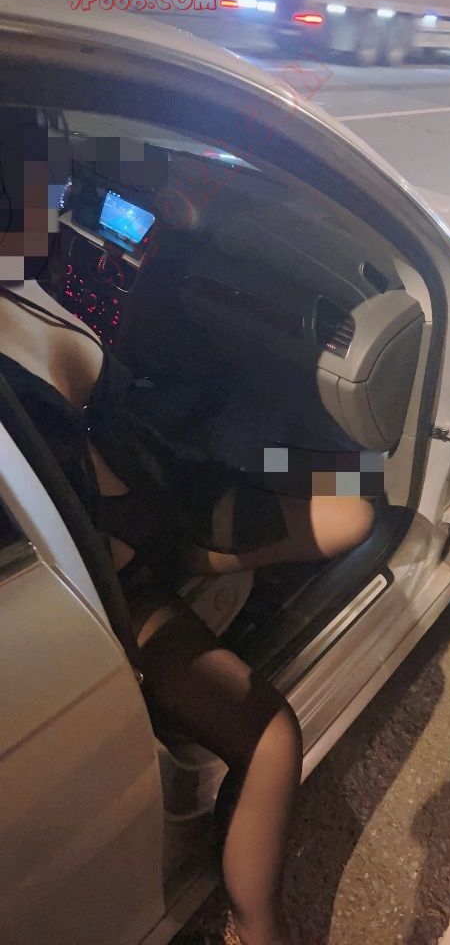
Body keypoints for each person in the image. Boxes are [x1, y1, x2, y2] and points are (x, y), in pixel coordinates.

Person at [0, 111, 375, 944]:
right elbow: (110, 362)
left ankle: (241, 563)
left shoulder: (26, 289)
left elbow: (120, 367)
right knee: (270, 737)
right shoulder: (28, 305)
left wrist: (155, 259)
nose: (55, 205)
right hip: (123, 582)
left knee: (353, 502)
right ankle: (256, 930)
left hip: (153, 509)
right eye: (42, 191)